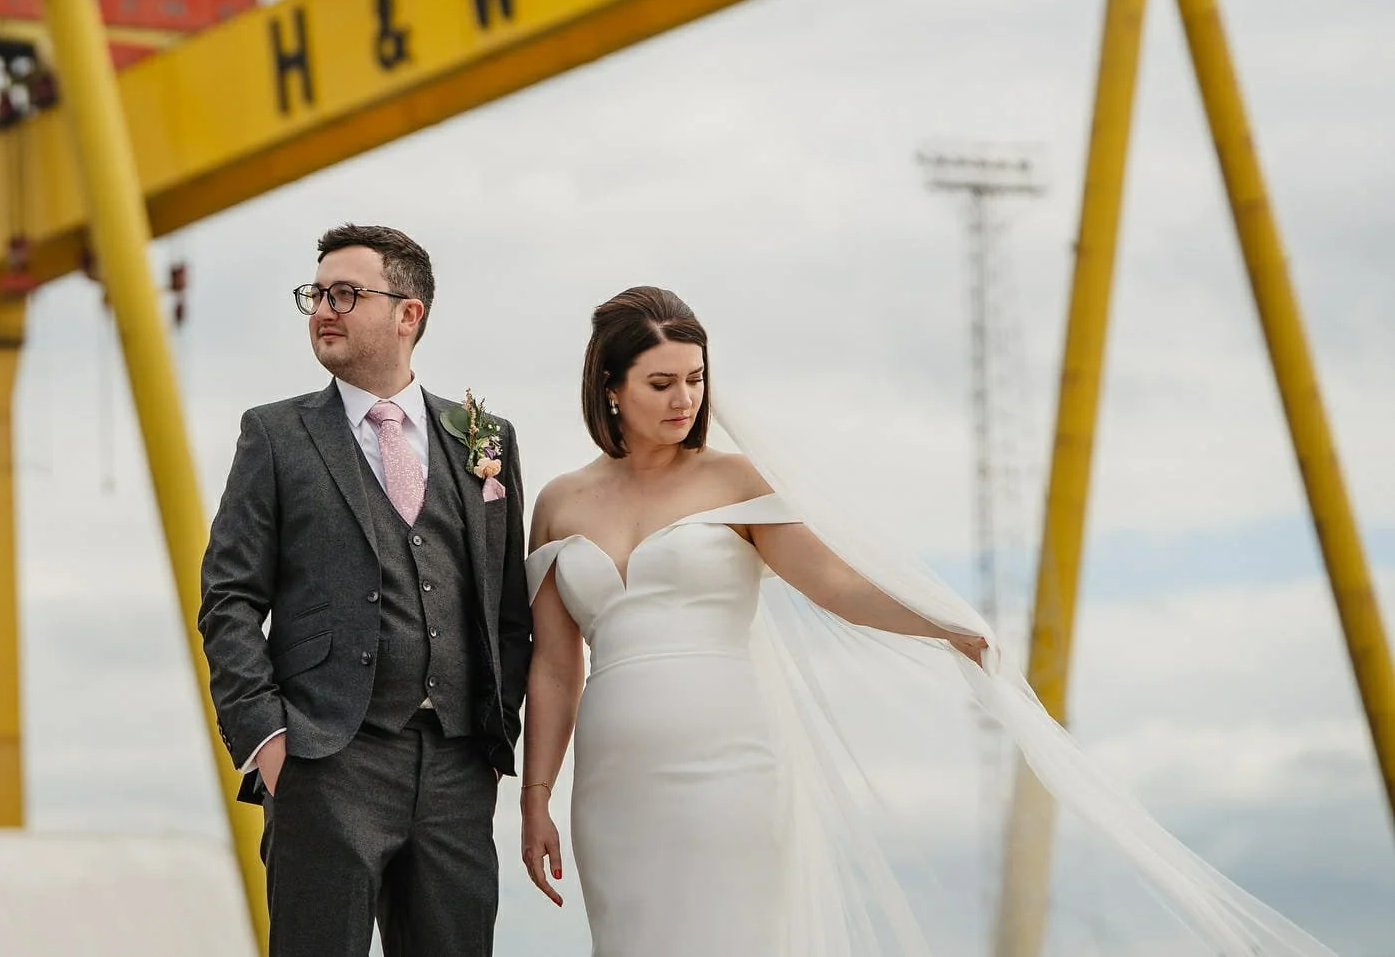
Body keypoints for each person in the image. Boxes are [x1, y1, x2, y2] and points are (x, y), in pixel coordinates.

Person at [518, 284, 1340, 957]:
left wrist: (946, 623)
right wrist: (537, 799)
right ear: (611, 389)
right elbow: (557, 668)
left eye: (695, 379)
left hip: (730, 764)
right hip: (615, 783)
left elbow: (835, 583)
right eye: (661, 383)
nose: (685, 399)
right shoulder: (560, 502)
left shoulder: (734, 478)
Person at [198, 223, 530, 957]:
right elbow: (228, 597)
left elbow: (508, 608)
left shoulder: (485, 439)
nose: (323, 308)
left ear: (408, 314)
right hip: (324, 763)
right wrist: (271, 740)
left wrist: (490, 728)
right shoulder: (277, 435)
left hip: (455, 771)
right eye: (316, 294)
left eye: (345, 293)